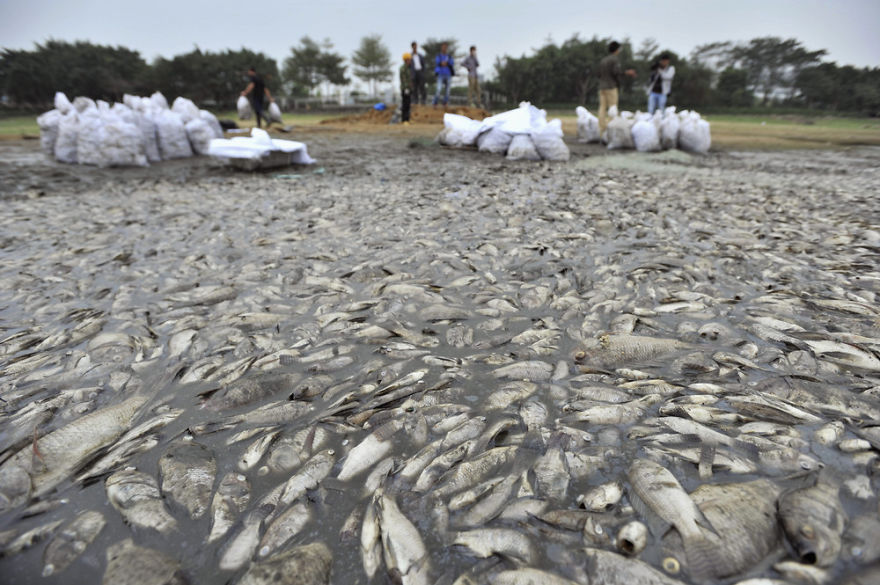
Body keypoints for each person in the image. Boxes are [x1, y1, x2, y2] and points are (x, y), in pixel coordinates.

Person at [597, 41, 636, 136]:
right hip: (611, 87)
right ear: (617, 49)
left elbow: (598, 74)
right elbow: (616, 72)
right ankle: (611, 129)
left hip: (602, 87)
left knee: (602, 108)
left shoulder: (603, 60)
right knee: (613, 108)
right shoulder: (614, 60)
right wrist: (627, 73)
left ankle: (602, 130)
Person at [432, 43, 454, 108]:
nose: (444, 49)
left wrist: (445, 63)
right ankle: (435, 102)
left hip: (448, 74)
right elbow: (438, 62)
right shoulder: (438, 56)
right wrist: (444, 63)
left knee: (448, 90)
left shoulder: (449, 56)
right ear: (441, 48)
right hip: (440, 74)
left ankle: (445, 103)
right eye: (443, 47)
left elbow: (451, 63)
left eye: (445, 47)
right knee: (438, 89)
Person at [400, 53, 414, 124]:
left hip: (409, 89)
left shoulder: (409, 68)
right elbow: (403, 79)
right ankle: (404, 120)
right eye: (409, 59)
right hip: (405, 89)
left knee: (408, 104)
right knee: (405, 104)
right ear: (406, 60)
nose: (410, 61)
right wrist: (406, 88)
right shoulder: (403, 68)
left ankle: (407, 119)